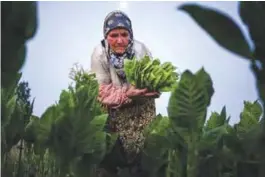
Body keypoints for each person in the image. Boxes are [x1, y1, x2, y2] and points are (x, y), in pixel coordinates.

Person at [90, 10, 159, 176]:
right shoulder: (100, 55)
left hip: (141, 105)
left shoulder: (140, 51)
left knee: (143, 153)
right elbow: (102, 92)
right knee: (114, 152)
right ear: (106, 37)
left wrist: (147, 91)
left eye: (124, 34)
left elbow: (155, 85)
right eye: (114, 35)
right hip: (114, 106)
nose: (120, 40)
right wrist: (127, 94)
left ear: (131, 35)